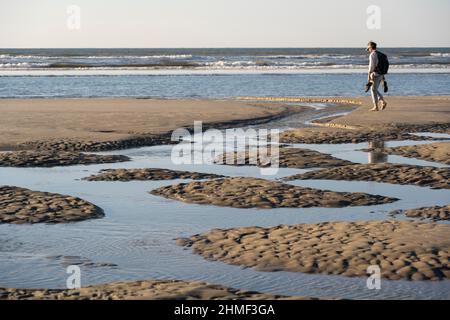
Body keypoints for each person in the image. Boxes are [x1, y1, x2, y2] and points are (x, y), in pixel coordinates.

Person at [367, 41, 387, 111]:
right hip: (381, 74)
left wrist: (369, 74)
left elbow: (371, 66)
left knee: (373, 89)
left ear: (370, 47)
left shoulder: (372, 54)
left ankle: (377, 105)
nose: (368, 50)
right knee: (374, 89)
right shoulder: (380, 54)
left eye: (368, 48)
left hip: (375, 74)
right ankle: (381, 101)